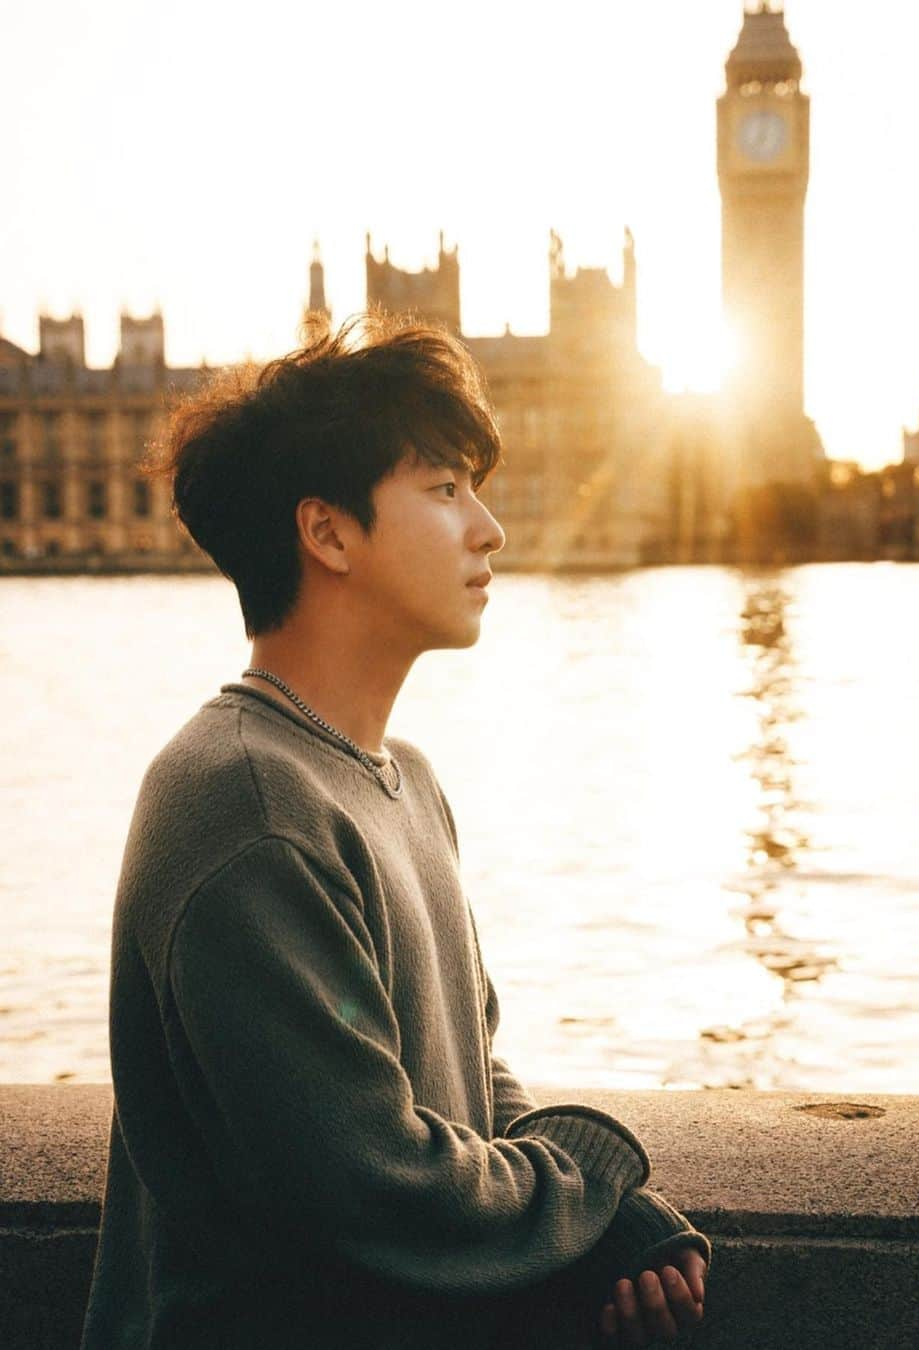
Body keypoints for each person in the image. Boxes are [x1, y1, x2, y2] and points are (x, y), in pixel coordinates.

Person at [80, 313, 711, 1349]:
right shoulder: (247, 806)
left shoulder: (402, 781)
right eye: (445, 488)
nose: (489, 527)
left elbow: (474, 1069)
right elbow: (378, 1187)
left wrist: (598, 1223)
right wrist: (594, 1175)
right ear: (327, 534)